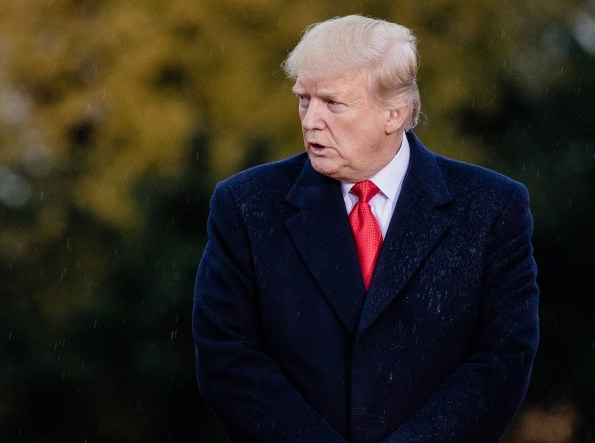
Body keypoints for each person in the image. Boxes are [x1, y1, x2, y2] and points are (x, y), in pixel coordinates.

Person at [192, 14, 539, 443]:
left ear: (395, 112)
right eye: (304, 99)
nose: (310, 120)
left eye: (332, 103)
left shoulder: (492, 208)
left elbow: (502, 359)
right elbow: (227, 356)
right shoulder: (245, 205)